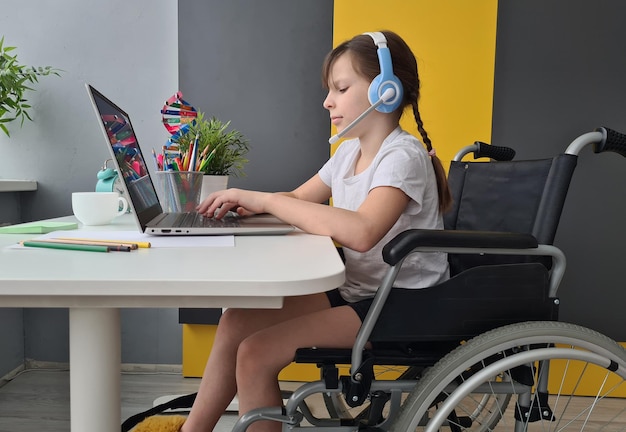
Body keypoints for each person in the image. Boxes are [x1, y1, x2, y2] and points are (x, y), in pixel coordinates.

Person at [134, 29, 451, 432]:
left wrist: (268, 201)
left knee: (255, 353)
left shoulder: (401, 157)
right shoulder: (349, 153)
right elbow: (300, 199)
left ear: (386, 89)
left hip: (400, 305)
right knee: (235, 321)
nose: (327, 101)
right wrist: (247, 208)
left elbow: (363, 231)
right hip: (362, 291)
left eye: (340, 87)